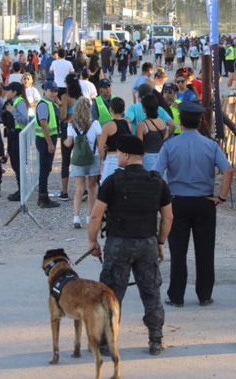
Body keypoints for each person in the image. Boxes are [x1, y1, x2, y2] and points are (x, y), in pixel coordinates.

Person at [88, 134, 173, 356]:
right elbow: (168, 218)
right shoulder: (157, 181)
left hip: (118, 244)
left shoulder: (113, 181)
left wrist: (92, 240)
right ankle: (156, 339)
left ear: (126, 155)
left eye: (117, 155)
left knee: (112, 294)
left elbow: (96, 216)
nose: (117, 159)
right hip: (147, 243)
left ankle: (106, 342)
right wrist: (160, 242)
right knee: (151, 291)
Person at [152, 102, 233, 307]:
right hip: (204, 202)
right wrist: (221, 197)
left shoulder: (169, 145)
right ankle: (204, 294)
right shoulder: (210, 145)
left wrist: (161, 199)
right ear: (200, 122)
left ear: (180, 122)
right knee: (205, 250)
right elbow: (228, 171)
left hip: (177, 202)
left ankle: (176, 296)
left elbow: (156, 174)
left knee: (178, 251)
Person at [63, 97, 102, 229]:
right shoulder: (95, 124)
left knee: (79, 189)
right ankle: (89, 216)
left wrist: (64, 142)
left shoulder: (71, 124)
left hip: (78, 158)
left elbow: (68, 143)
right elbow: (100, 143)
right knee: (91, 188)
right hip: (93, 157)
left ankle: (76, 216)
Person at [1, 81, 30, 201]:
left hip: (18, 135)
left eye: (9, 90)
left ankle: (22, 191)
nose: (6, 92)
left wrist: (12, 111)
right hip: (13, 135)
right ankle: (21, 190)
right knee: (15, 164)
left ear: (14, 92)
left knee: (18, 165)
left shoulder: (20, 102)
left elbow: (24, 120)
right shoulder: (12, 102)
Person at [35, 81, 61, 209]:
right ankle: (43, 197)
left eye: (56, 91)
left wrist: (59, 103)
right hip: (45, 140)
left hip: (47, 139)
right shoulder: (44, 104)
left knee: (46, 169)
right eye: (51, 91)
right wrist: (50, 144)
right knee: (45, 169)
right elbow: (44, 124)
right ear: (44, 90)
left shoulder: (50, 103)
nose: (54, 93)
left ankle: (42, 196)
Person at [97, 97, 131, 185]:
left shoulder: (108, 126)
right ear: (123, 109)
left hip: (112, 158)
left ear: (110, 109)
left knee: (106, 188)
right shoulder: (128, 125)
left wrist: (103, 157)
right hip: (125, 159)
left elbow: (100, 148)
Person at [136, 94, 168, 171]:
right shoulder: (163, 123)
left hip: (147, 159)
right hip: (161, 158)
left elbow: (139, 146)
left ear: (144, 109)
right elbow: (165, 142)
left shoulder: (142, 125)